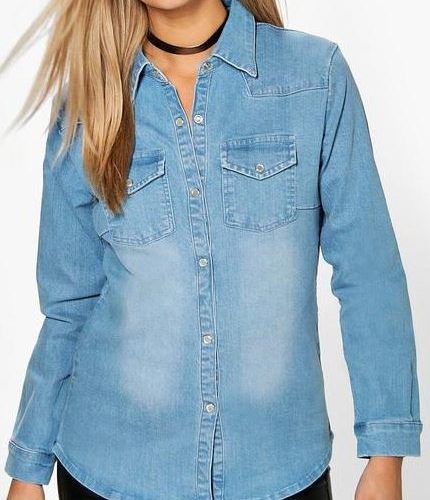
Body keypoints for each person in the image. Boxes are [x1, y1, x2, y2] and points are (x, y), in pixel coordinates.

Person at [2, 0, 422, 499]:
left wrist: (386, 453)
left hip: (277, 474)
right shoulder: (89, 103)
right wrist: (28, 467)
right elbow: (70, 308)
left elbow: (369, 276)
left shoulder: (315, 78)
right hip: (111, 471)